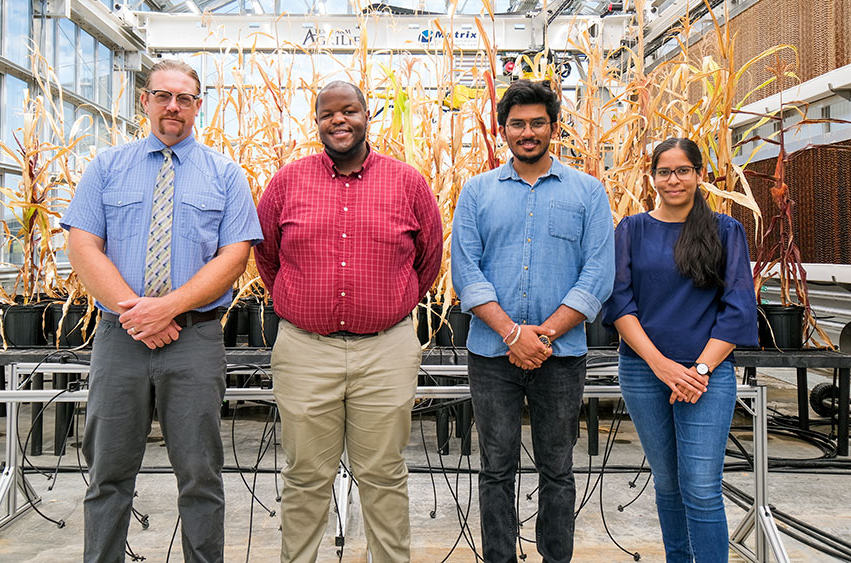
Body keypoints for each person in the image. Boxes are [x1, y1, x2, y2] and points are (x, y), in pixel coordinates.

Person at [62, 59, 263, 563]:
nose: (173, 106)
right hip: (119, 339)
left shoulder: (225, 174)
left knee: (200, 474)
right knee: (108, 471)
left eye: (185, 98)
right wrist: (136, 314)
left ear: (199, 106)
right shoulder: (107, 167)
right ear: (144, 100)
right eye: (162, 95)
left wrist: (167, 308)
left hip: (194, 341)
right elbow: (84, 246)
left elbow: (235, 256)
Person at [254, 80, 443, 562]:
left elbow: (429, 261)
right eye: (327, 114)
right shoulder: (287, 182)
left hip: (385, 349)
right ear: (316, 122)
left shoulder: (407, 182)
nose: (338, 121)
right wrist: (300, 303)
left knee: (383, 472)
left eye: (349, 111)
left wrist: (388, 305)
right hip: (305, 349)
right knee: (304, 475)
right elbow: (268, 259)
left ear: (366, 117)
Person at [450, 79, 615, 563]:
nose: (528, 132)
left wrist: (542, 335)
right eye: (518, 123)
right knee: (496, 467)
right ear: (503, 130)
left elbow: (597, 274)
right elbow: (466, 270)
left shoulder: (588, 192)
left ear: (554, 127)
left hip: (560, 356)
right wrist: (511, 333)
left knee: (558, 469)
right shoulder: (477, 192)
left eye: (537, 122)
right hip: (492, 355)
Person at [602, 137, 757, 562]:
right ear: (652, 177)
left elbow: (739, 308)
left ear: (699, 175)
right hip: (643, 371)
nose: (674, 180)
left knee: (702, 488)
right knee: (667, 484)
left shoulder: (725, 230)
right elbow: (619, 302)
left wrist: (700, 371)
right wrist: (660, 365)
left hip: (705, 378)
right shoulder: (631, 230)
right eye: (665, 171)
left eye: (683, 170)